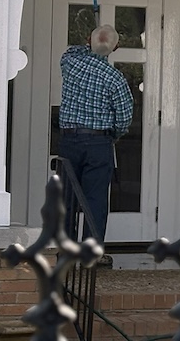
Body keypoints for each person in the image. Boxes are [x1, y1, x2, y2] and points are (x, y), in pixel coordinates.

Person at [59, 24, 133, 242]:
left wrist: (89, 41)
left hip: (69, 140)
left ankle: (66, 249)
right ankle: (90, 251)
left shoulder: (70, 63)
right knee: (96, 200)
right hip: (99, 143)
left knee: (66, 199)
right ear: (116, 47)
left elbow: (73, 50)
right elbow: (124, 117)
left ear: (87, 41)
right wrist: (114, 136)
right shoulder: (115, 78)